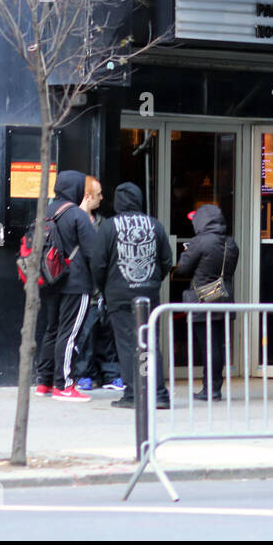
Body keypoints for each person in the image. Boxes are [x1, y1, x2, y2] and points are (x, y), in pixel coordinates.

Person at [93, 182, 174, 409]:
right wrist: (152, 281)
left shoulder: (109, 227)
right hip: (149, 294)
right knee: (150, 343)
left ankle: (135, 394)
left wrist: (105, 287)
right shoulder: (154, 225)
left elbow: (98, 263)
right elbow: (167, 260)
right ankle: (157, 393)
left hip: (120, 295)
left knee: (129, 345)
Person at [34, 170, 98, 401]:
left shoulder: (46, 212)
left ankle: (44, 382)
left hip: (50, 280)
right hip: (76, 282)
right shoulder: (78, 215)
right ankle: (64, 385)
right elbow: (93, 253)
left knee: (52, 330)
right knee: (70, 334)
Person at [174, 204, 239, 401]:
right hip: (223, 297)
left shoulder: (200, 242)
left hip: (203, 299)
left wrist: (187, 251)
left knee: (207, 346)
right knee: (218, 345)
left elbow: (183, 269)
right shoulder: (231, 243)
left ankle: (210, 389)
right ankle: (215, 387)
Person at [73, 176, 123, 393]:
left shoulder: (104, 223)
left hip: (103, 288)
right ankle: (85, 374)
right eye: (99, 193)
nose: (102, 198)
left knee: (106, 334)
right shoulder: (74, 221)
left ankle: (110, 374)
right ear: (87, 195)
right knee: (85, 335)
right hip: (84, 288)